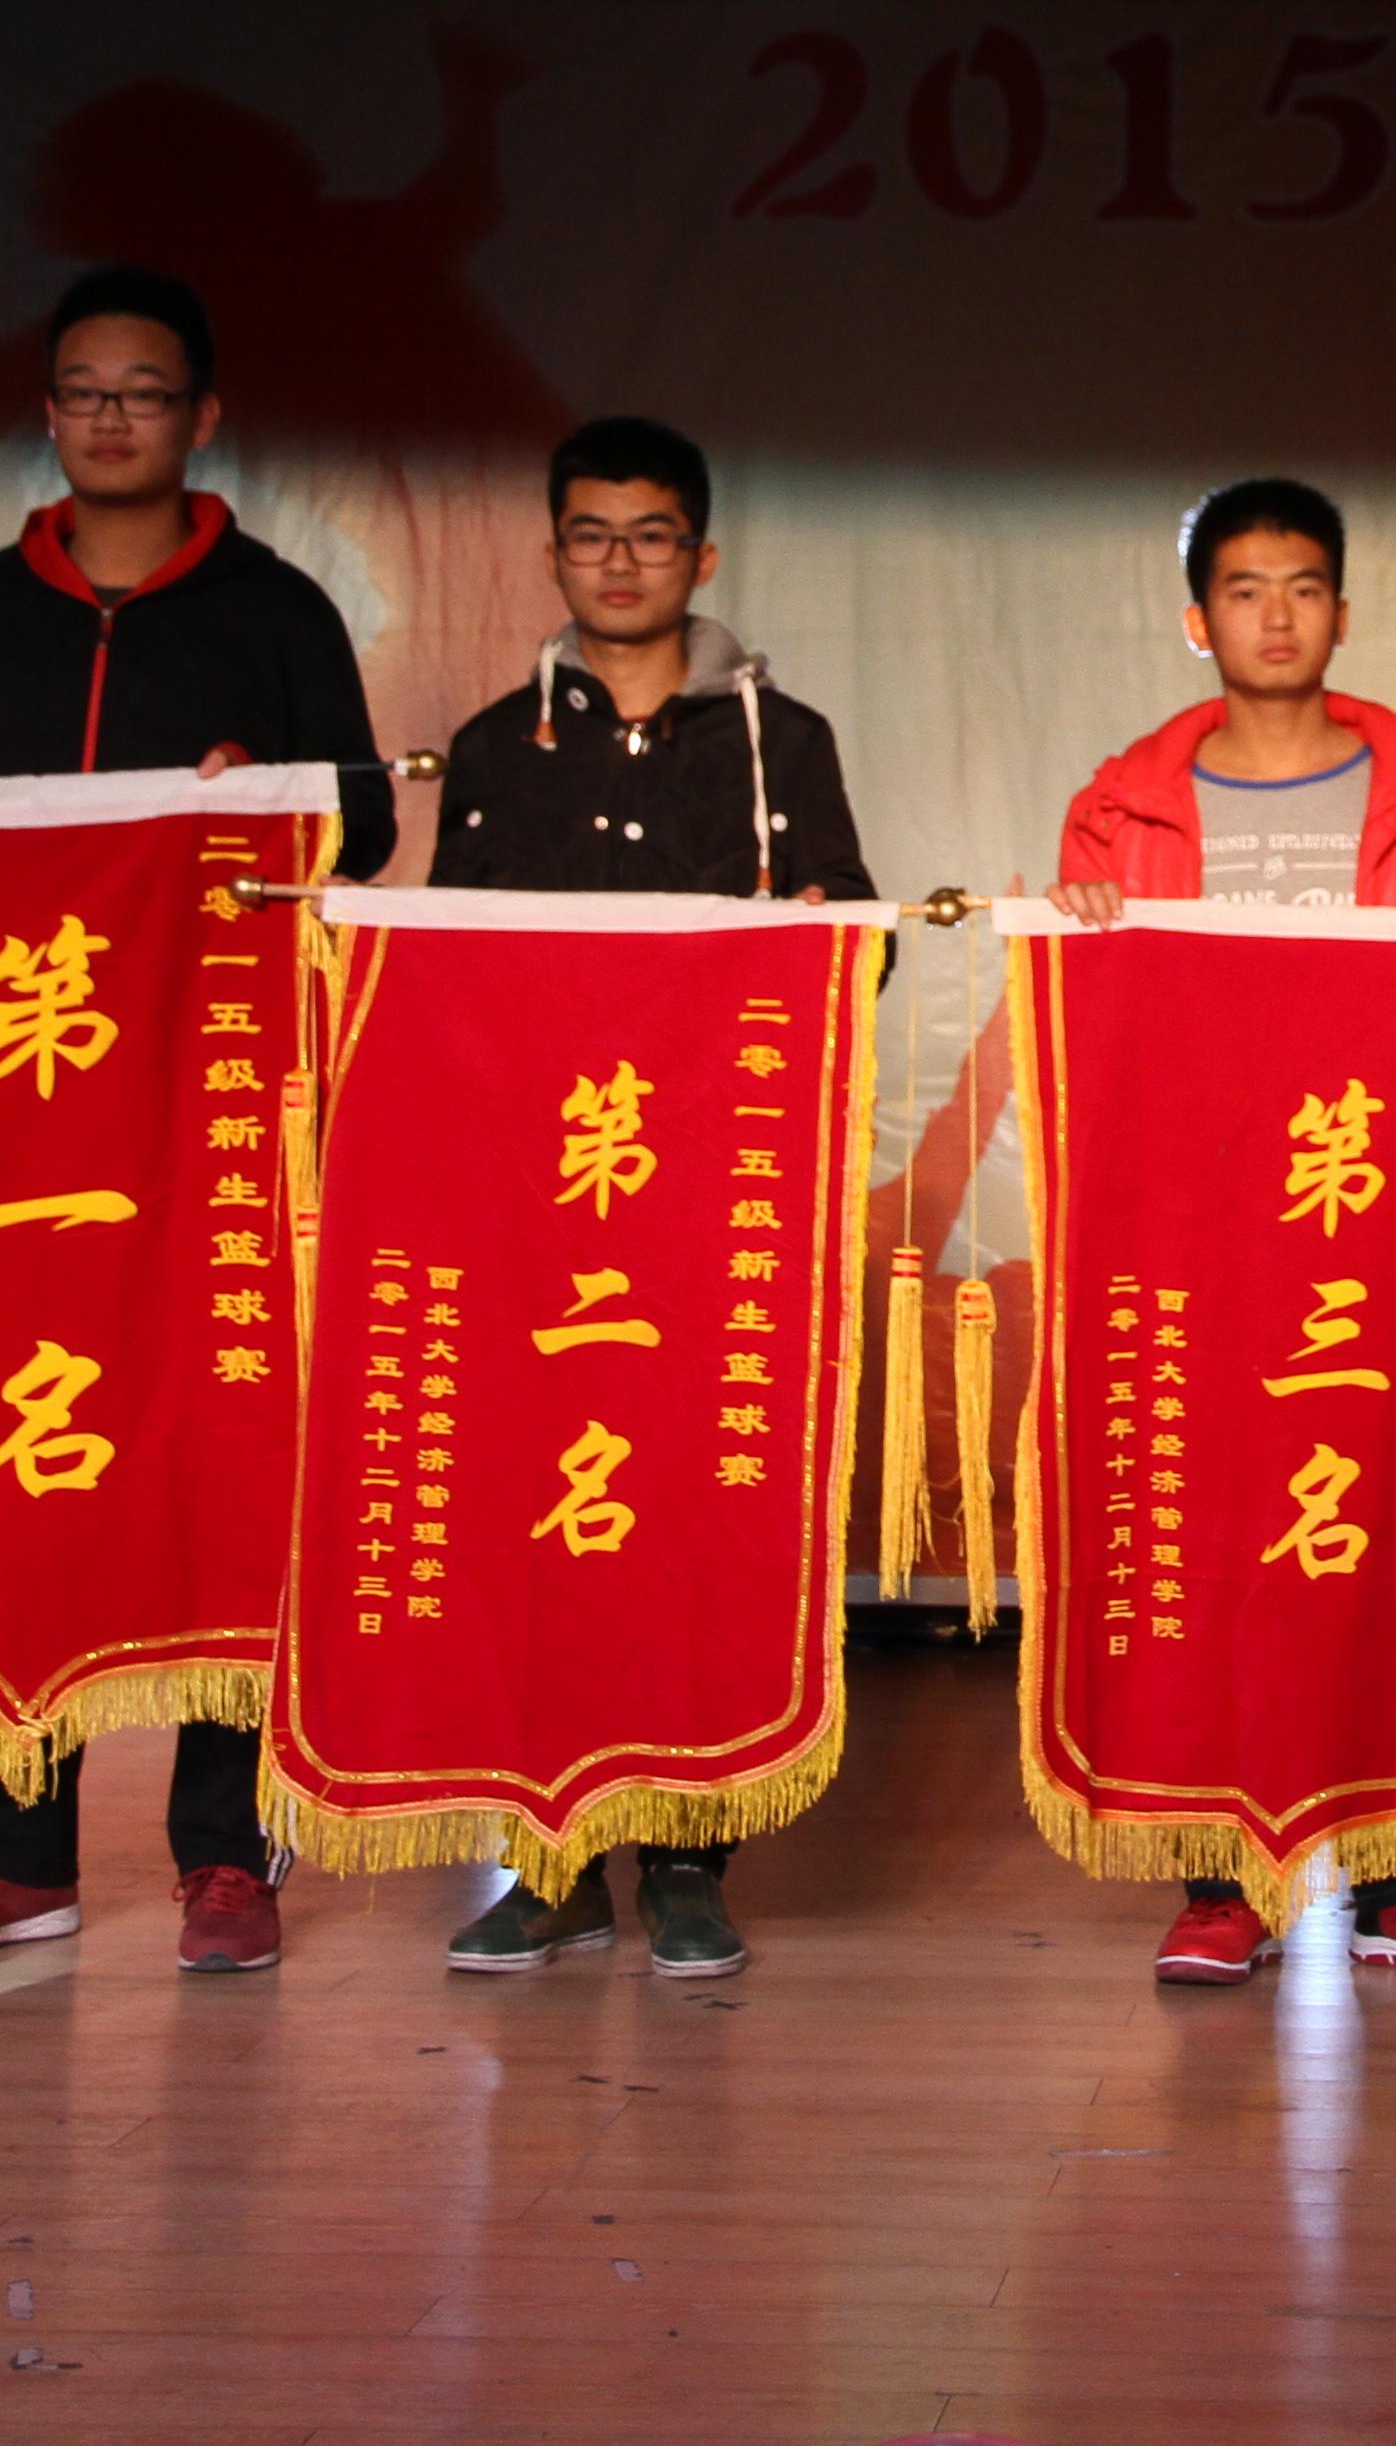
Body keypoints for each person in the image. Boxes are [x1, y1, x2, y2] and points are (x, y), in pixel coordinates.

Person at [0, 264, 395, 1980]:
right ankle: (10, 1854)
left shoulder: (277, 608)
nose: (110, 417)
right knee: (22, 1460)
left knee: (220, 1453)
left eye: (143, 392)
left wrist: (267, 802)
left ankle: (225, 1853)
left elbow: (366, 823)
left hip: (208, 1107)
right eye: (83, 391)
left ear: (201, 418)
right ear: (48, 415)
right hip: (26, 1124)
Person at [1047, 476, 1396, 1989]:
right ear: (1198, 622)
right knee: (1208, 1530)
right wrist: (1081, 937)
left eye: (1305, 587)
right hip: (1202, 1228)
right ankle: (1223, 1876)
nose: (1277, 615)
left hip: (1380, 1227)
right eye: (1246, 590)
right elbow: (1103, 1046)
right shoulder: (1122, 807)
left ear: (1342, 610)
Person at [423, 415, 877, 1982]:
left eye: (652, 534)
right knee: (536, 1526)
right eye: (592, 534)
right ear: (554, 553)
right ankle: (548, 1860)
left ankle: (690, 1858)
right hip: (540, 1204)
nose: (621, 562)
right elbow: (447, 973)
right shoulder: (495, 746)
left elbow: (858, 944)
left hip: (706, 1201)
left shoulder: (780, 739)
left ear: (703, 554)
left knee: (698, 1514)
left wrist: (818, 932)